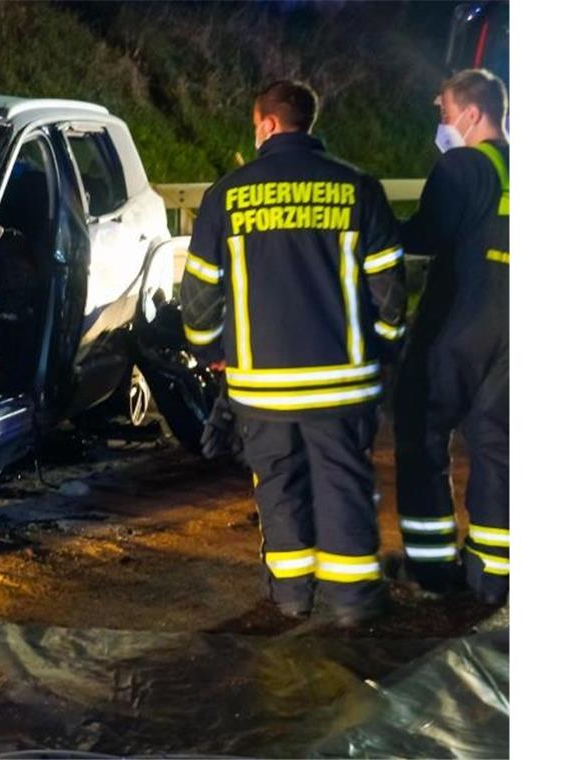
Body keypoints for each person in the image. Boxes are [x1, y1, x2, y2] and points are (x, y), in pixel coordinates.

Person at [181, 80, 406, 625]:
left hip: (262, 385)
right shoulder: (358, 188)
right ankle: (351, 602)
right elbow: (389, 290)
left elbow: (199, 291)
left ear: (265, 125)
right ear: (308, 122)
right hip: (343, 383)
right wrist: (386, 348)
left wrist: (208, 347)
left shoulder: (227, 195)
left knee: (278, 486)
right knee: (343, 483)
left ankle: (292, 596)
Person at [393, 69, 509, 605]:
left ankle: (433, 566)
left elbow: (427, 234)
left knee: (420, 430)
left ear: (471, 114)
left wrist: (377, 226)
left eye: (443, 114)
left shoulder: (463, 165)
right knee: (498, 445)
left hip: (460, 323)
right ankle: (493, 575)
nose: (441, 125)